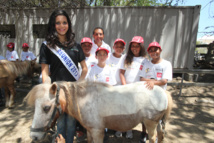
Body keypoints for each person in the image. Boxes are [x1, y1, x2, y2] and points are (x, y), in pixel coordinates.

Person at [39, 9, 87, 143]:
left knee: (71, 123)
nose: (61, 26)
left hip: (72, 91)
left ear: (69, 24)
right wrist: (48, 91)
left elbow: (84, 69)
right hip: (57, 92)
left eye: (64, 22)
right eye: (58, 23)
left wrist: (78, 83)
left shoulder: (76, 46)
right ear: (53, 25)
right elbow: (44, 71)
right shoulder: (47, 46)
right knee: (60, 123)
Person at [138, 41, 172, 143]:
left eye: (156, 50)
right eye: (151, 51)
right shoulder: (146, 63)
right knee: (145, 116)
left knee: (158, 117)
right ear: (149, 52)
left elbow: (164, 81)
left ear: (160, 50)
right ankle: (144, 133)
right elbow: (142, 78)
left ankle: (158, 134)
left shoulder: (166, 64)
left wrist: (153, 82)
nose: (153, 52)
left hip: (160, 94)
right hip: (147, 94)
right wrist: (152, 81)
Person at [117, 36, 147, 139]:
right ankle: (120, 129)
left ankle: (129, 130)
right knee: (123, 110)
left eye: (137, 46)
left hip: (139, 90)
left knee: (133, 112)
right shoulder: (125, 57)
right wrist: (125, 87)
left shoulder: (145, 59)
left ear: (141, 47)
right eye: (133, 46)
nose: (134, 48)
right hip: (126, 89)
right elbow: (121, 73)